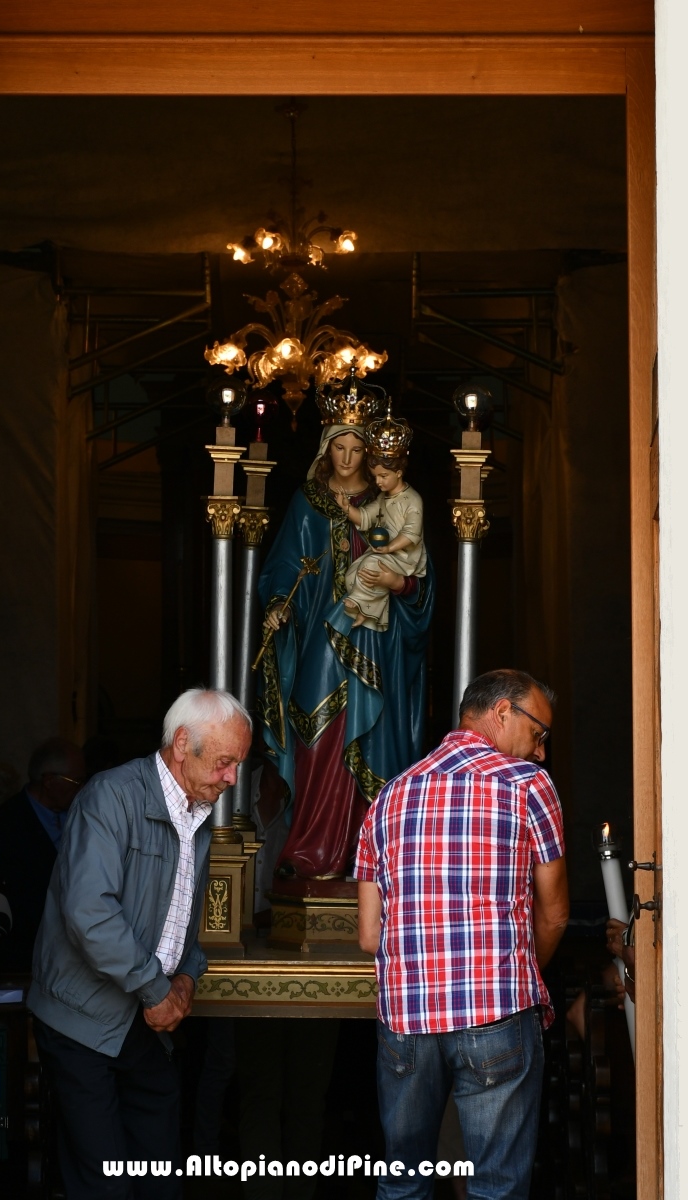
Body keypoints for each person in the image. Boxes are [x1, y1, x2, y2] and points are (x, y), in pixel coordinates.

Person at [27, 688, 252, 1200]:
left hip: (140, 1017)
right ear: (180, 745)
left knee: (160, 1172)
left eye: (237, 764)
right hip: (81, 1014)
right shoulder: (111, 796)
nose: (232, 778)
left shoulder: (198, 816)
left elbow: (190, 925)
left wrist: (188, 977)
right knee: (103, 1181)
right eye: (224, 762)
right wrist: (157, 989)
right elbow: (90, 914)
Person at [355, 669, 569, 1199]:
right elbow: (556, 913)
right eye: (539, 733)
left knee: (403, 1183)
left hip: (405, 1021)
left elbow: (367, 936)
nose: (540, 752)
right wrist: (511, 975)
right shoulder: (527, 785)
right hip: (495, 1013)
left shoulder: (389, 797)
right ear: (502, 712)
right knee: (495, 1186)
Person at [258, 402, 434, 882]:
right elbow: (283, 567)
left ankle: (368, 858)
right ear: (325, 446)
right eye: (340, 446)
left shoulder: (395, 503)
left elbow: (421, 576)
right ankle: (312, 845)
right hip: (322, 632)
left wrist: (401, 587)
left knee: (375, 737)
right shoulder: (307, 501)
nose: (349, 457)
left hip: (379, 642)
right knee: (316, 735)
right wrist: (280, 603)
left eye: (359, 448)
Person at [0, 737, 86, 976]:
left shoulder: (79, 815)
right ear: (50, 781)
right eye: (75, 781)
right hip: (27, 958)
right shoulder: (6, 825)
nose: (81, 788)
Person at [338, 448, 427, 631]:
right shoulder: (382, 498)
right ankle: (368, 611)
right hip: (383, 553)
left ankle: (362, 606)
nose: (378, 481)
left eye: (383, 476)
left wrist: (389, 548)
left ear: (399, 473)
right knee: (352, 573)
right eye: (375, 476)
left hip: (403, 557)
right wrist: (347, 508)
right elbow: (364, 517)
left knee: (370, 565)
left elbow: (412, 533)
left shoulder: (413, 499)